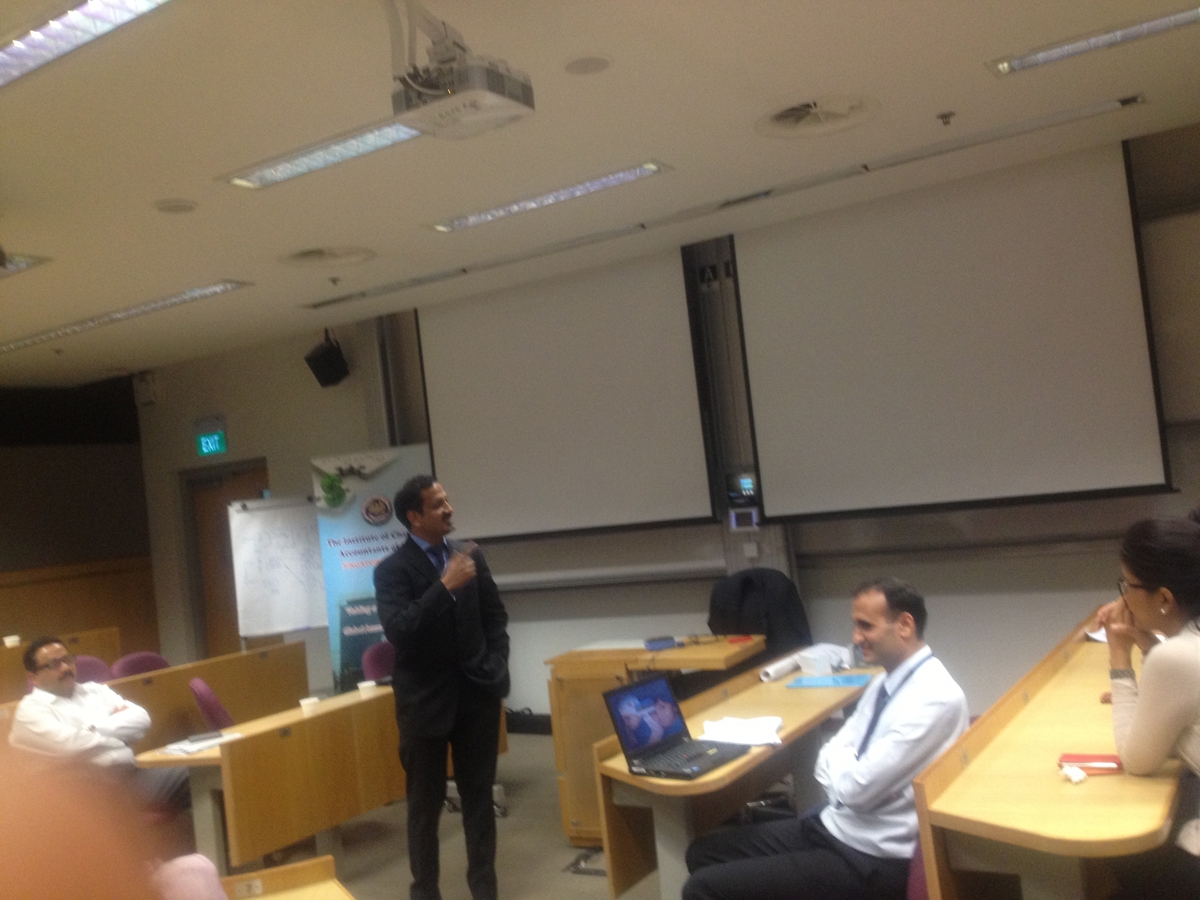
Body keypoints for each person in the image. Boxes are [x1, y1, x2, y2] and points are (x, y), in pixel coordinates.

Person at [682, 577, 968, 900]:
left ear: (904, 625)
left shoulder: (934, 699)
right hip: (836, 824)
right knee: (702, 852)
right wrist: (847, 770)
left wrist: (844, 771)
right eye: (855, 625)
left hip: (870, 857)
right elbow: (832, 755)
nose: (855, 637)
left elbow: (854, 790)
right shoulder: (884, 682)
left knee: (702, 888)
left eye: (866, 626)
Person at [374, 475, 510, 900]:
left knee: (478, 802)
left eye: (447, 501)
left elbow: (495, 618)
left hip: (477, 696)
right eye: (437, 504)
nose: (449, 509)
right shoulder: (391, 570)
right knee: (424, 808)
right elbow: (400, 630)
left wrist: (496, 668)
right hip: (424, 704)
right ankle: (425, 892)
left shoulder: (470, 557)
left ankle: (485, 891)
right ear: (415, 517)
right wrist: (444, 586)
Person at [1096, 511, 1200, 899]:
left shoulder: (1176, 657)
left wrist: (1119, 656)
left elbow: (1137, 760)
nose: (1123, 597)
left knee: (1116, 848)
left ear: (1165, 599)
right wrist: (1148, 646)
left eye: (1128, 585)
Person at [8, 636, 190, 812]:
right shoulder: (29, 711)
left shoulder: (95, 690)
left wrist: (89, 729)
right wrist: (120, 734)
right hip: (89, 797)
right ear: (33, 677)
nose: (65, 668)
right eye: (54, 664)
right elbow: (70, 746)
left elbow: (142, 719)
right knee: (193, 779)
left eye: (68, 659)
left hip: (132, 777)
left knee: (198, 772)